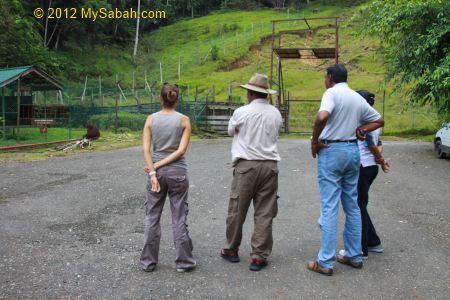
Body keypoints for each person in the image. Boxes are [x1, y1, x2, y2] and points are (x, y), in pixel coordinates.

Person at [307, 64, 384, 276]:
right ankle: (354, 255)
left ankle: (325, 262)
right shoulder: (356, 97)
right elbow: (379, 120)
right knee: (352, 204)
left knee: (330, 206)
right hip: (352, 152)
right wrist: (361, 129)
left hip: (332, 150)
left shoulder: (331, 93)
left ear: (330, 78)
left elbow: (322, 117)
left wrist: (314, 141)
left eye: (325, 77)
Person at [220, 73, 282, 272]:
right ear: (265, 93)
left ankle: (231, 249)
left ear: (250, 92)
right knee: (264, 212)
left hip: (246, 166)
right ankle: (259, 256)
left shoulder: (241, 112)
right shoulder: (276, 113)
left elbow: (230, 131)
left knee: (237, 210)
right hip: (270, 166)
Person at [139, 82, 196, 273]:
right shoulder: (184, 120)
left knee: (152, 216)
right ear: (176, 99)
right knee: (178, 217)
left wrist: (154, 170)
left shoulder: (150, 119)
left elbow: (146, 149)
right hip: (178, 173)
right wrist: (157, 166)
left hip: (156, 174)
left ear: (160, 98)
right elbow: (180, 151)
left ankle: (148, 263)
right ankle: (184, 263)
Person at [339, 90, 390, 260]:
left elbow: (372, 146)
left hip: (362, 167)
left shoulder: (363, 122)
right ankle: (373, 242)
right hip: (370, 168)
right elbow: (378, 144)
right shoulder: (375, 119)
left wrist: (381, 159)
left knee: (356, 207)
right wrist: (380, 161)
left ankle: (361, 249)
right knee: (361, 205)